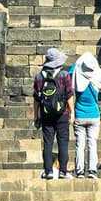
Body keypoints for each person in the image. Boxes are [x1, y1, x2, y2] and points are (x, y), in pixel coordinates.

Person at [31, 50, 73, 180]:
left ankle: (48, 171)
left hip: (46, 114)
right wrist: (72, 112)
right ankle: (63, 171)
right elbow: (69, 95)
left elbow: (36, 99)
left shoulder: (39, 77)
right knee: (63, 142)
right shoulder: (64, 75)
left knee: (48, 143)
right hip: (62, 114)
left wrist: (36, 117)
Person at [70, 52, 101, 176]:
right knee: (92, 143)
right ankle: (92, 170)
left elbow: (71, 71)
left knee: (80, 144)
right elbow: (98, 69)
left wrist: (77, 64)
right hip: (94, 115)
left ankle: (79, 171)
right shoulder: (97, 77)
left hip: (79, 114)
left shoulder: (77, 78)